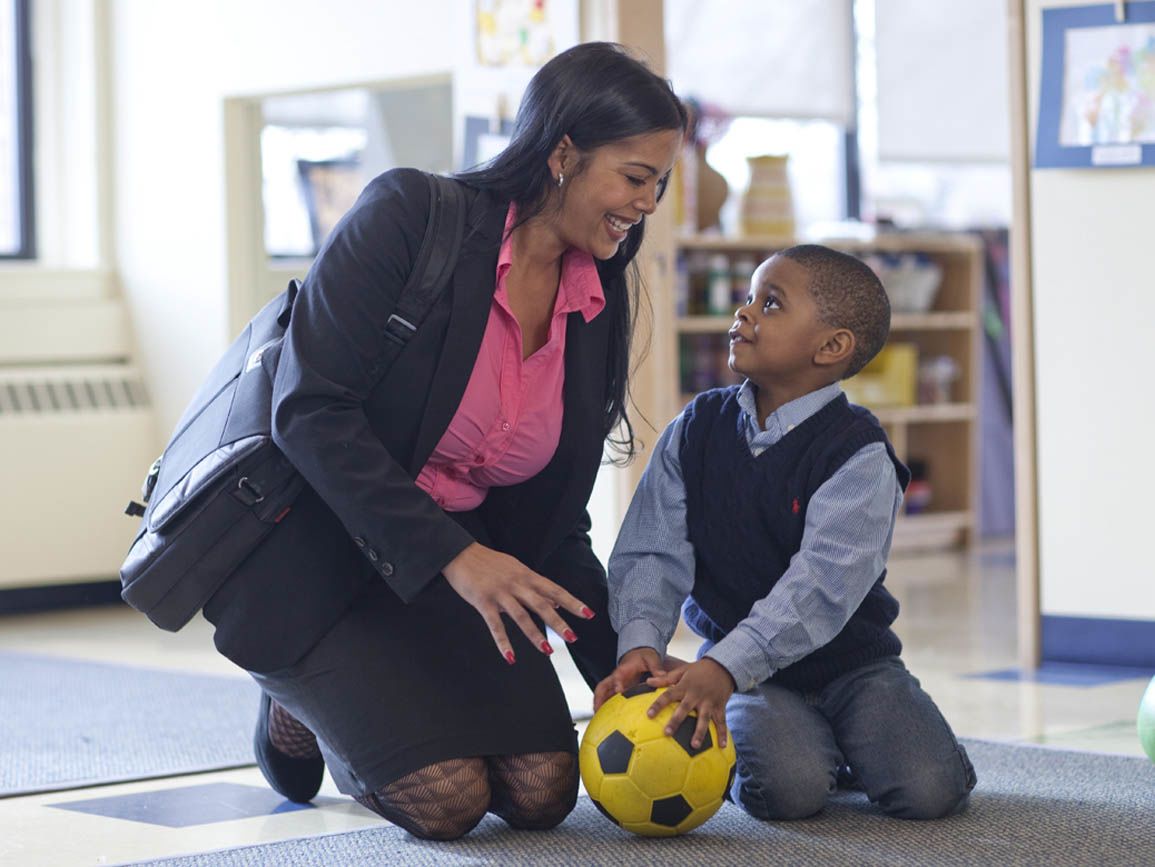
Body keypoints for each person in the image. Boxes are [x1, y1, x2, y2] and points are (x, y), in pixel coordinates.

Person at [201, 42, 686, 840]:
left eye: (660, 184)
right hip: (325, 549)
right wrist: (456, 557)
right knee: (449, 801)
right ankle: (296, 696)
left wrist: (621, 669)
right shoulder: (409, 215)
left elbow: (553, 517)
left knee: (541, 794)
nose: (648, 202)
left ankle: (361, 692)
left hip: (466, 571)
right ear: (563, 153)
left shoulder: (595, 290)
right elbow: (310, 409)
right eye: (635, 177)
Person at [594, 245, 977, 821]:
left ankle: (843, 740)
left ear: (832, 348)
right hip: (751, 678)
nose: (743, 312)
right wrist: (642, 646)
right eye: (748, 297)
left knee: (929, 792)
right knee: (788, 795)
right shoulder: (695, 429)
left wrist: (724, 668)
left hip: (855, 667)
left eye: (770, 304)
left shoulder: (858, 453)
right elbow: (652, 551)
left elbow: (821, 586)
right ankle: (803, 744)